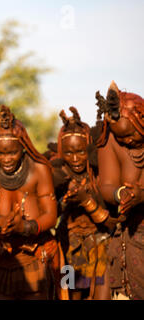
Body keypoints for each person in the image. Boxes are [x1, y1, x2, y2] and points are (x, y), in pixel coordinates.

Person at [0, 105, 61, 300]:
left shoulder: (39, 170)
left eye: (12, 153)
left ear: (23, 146)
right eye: (0, 154)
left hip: (35, 253)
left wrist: (25, 227)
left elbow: (51, 216)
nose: (6, 159)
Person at [52, 106, 113, 300]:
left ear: (89, 148)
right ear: (62, 152)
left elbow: (111, 220)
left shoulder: (100, 174)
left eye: (80, 151)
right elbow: (50, 212)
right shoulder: (59, 175)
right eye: (69, 153)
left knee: (101, 293)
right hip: (70, 247)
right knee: (73, 294)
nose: (75, 159)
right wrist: (65, 202)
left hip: (100, 245)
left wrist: (87, 202)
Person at [95, 81, 144, 300]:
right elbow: (106, 186)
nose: (126, 141)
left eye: (130, 134)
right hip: (129, 238)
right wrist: (119, 194)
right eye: (121, 137)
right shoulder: (111, 140)